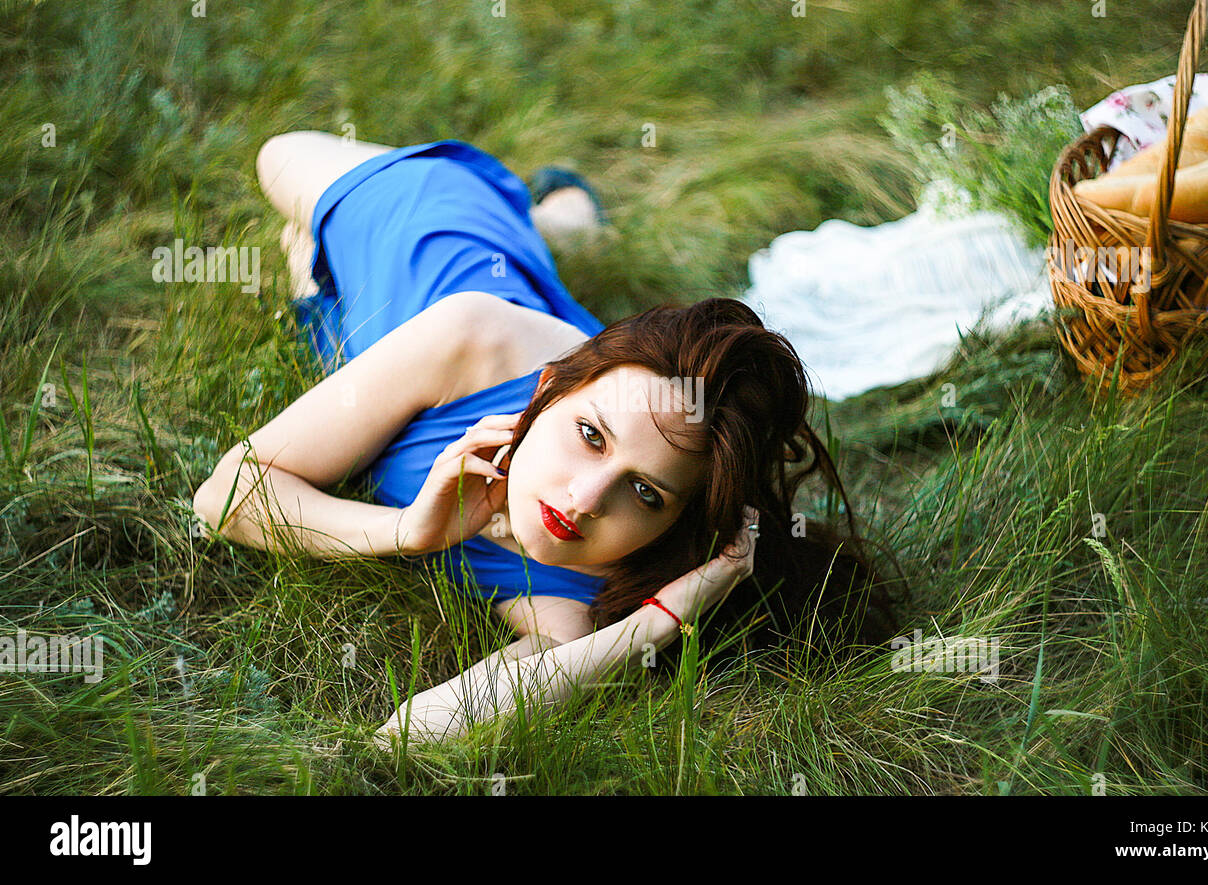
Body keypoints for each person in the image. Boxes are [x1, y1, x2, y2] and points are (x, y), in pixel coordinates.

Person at [191, 131, 903, 747]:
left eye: (646, 492)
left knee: (314, 273)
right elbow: (223, 495)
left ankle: (521, 237)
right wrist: (403, 525)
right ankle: (541, 221)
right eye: (590, 436)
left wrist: (656, 624)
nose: (586, 499)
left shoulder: (579, 593)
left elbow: (409, 735)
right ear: (546, 390)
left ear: (676, 524)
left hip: (390, 350)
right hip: (438, 241)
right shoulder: (476, 333)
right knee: (278, 160)